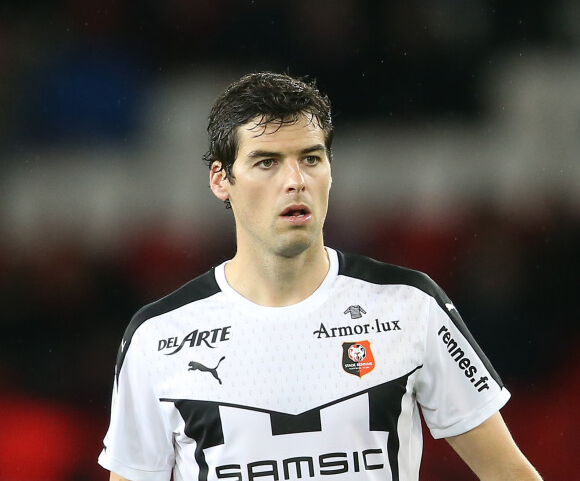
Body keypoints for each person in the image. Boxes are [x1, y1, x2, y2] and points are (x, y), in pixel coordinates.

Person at [98, 71, 542, 480]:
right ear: (220, 179)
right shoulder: (158, 337)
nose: (295, 180)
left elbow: (508, 472)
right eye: (266, 162)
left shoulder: (410, 306)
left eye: (310, 158)